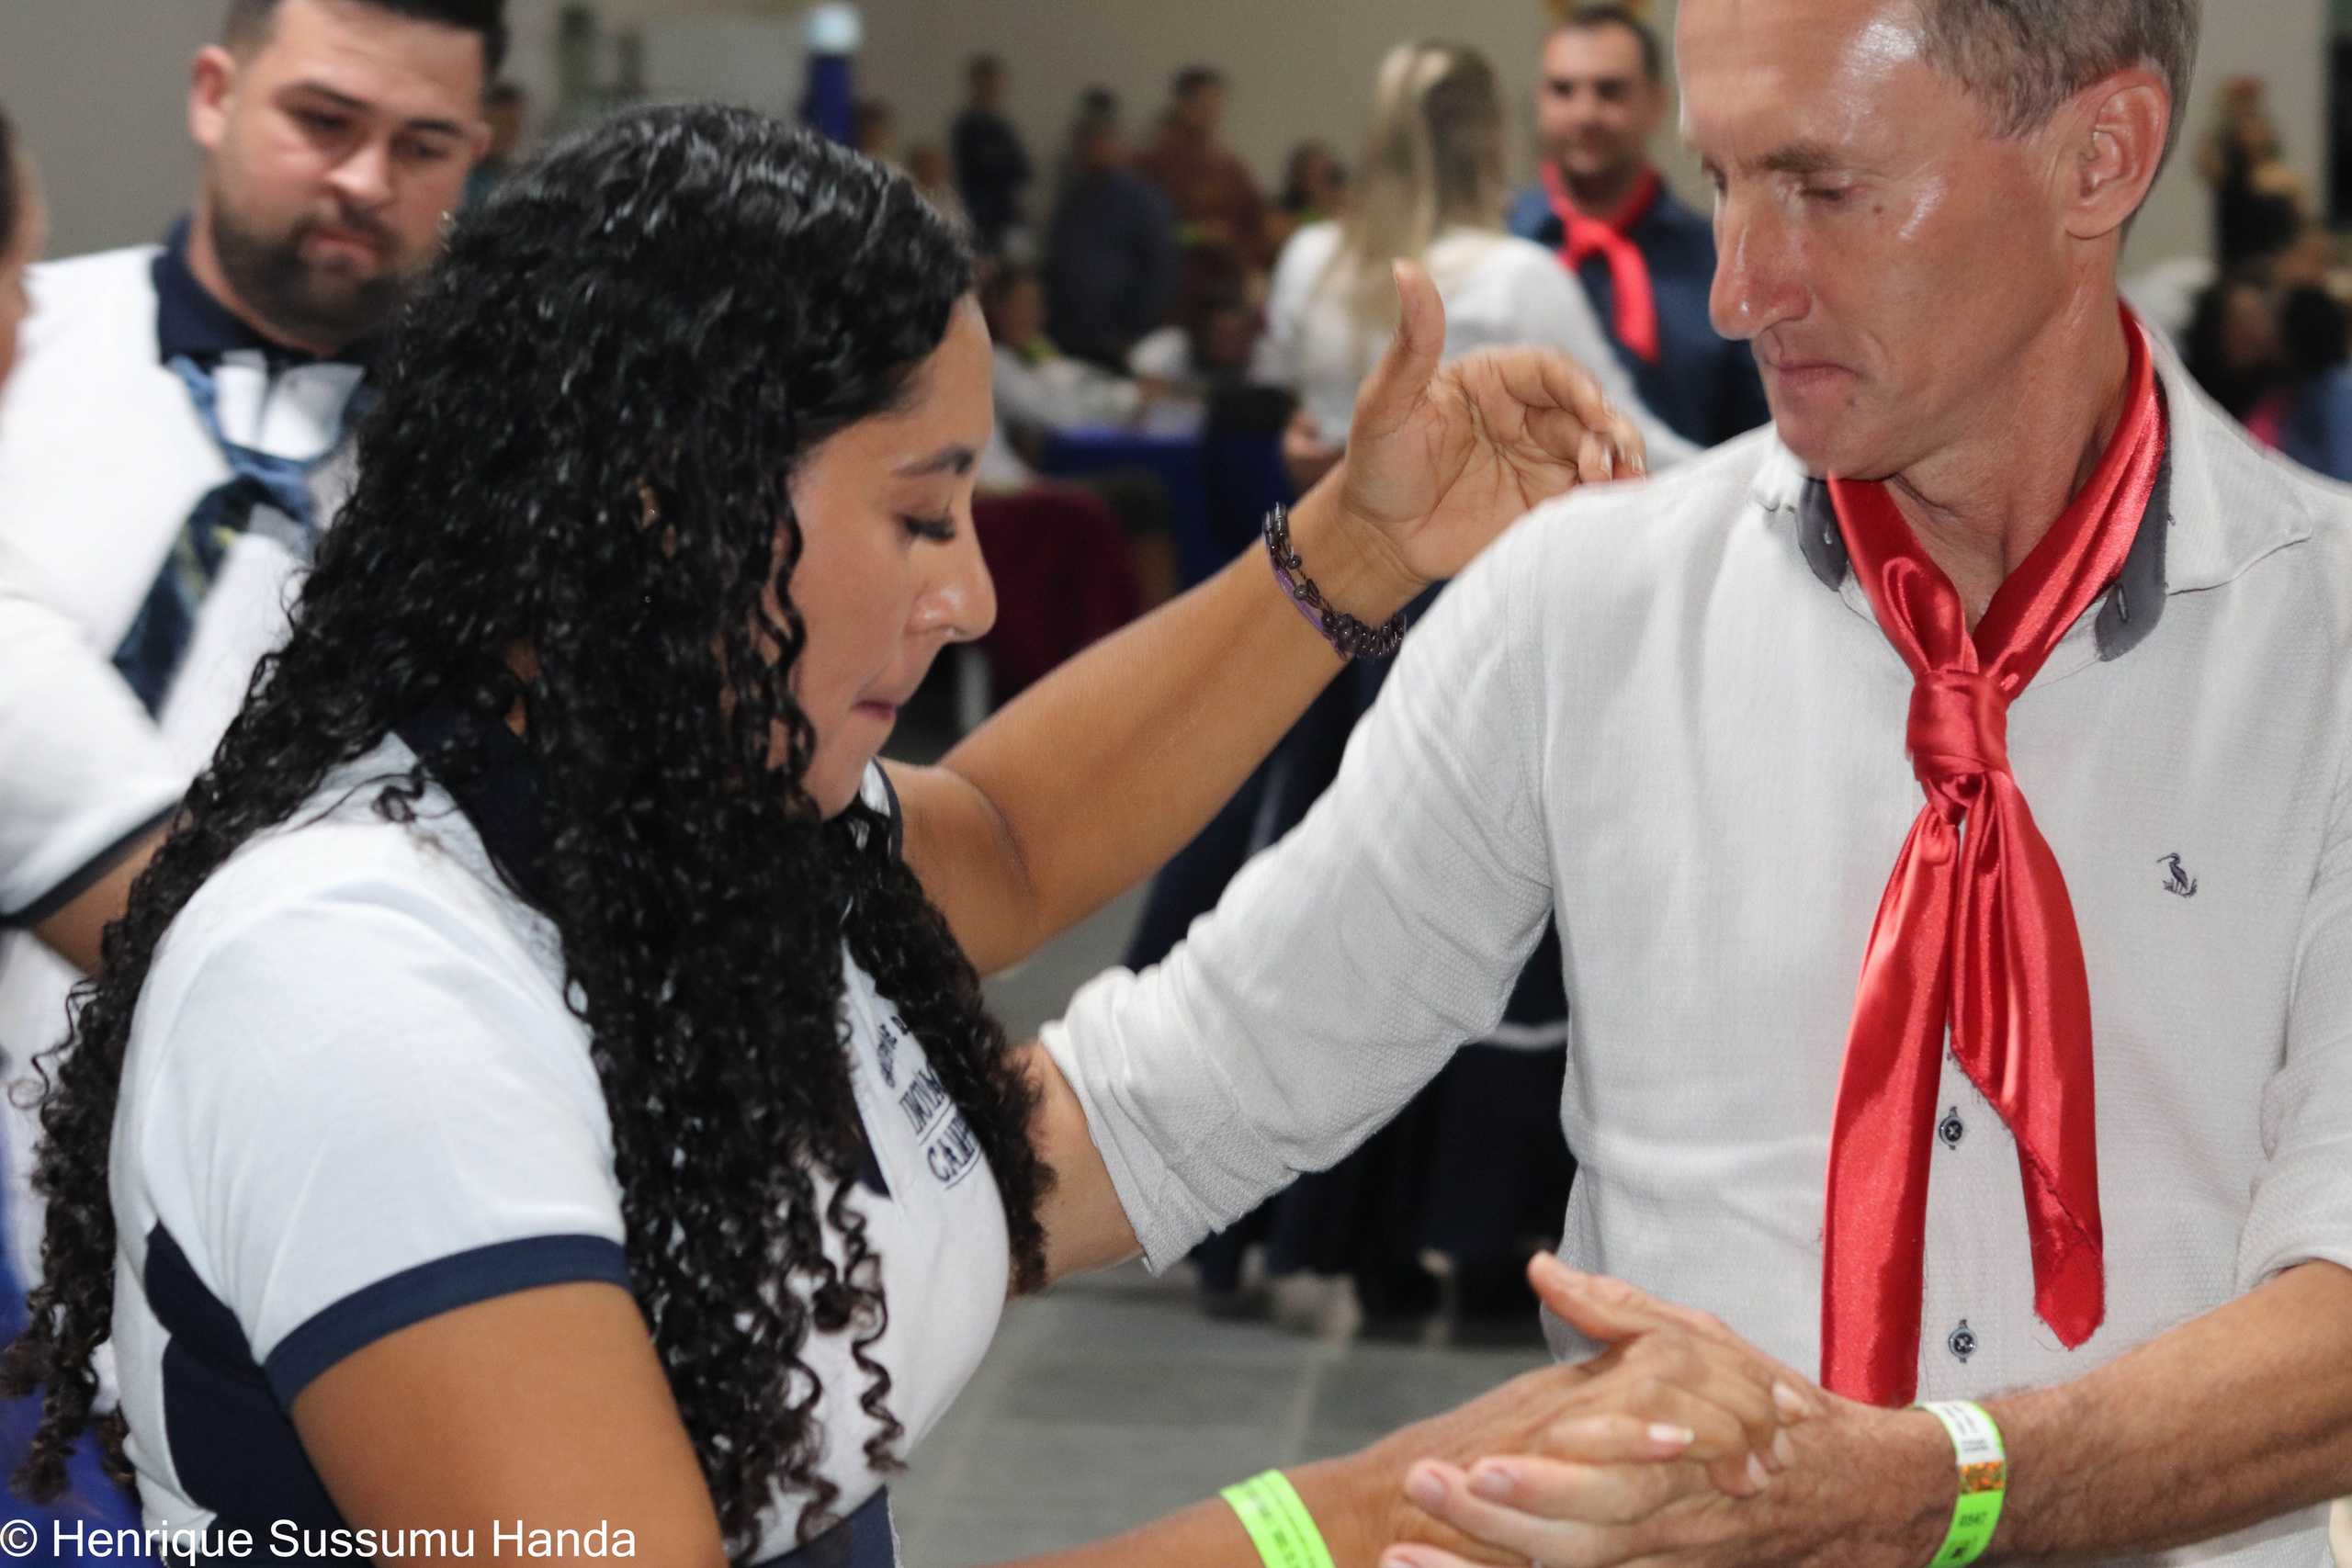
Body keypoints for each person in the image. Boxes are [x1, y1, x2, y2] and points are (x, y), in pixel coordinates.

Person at [0, 105, 1755, 1568]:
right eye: (921, 515)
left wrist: (1357, 551)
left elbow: (1000, 837)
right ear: (663, 503)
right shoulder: (357, 988)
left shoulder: (664, 815)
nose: (972, 588)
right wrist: (1346, 1523)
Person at [1036, 1, 2352, 1564]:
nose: (1738, 288)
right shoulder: (1584, 604)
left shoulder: (2325, 645)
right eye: (1720, 180)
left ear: (2101, 158)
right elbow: (1178, 1090)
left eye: (1824, 188)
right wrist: (734, 1227)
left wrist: (1920, 1494)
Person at [0, 0, 497, 1378]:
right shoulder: (22, 356)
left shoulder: (517, 468)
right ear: (216, 91)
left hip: (365, 1194)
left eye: (423, 144)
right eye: (323, 122)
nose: (362, 180)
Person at [1261, 40, 1694, 492]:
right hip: (1464, 553)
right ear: (1493, 140)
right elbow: (1625, 441)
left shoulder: (1308, 258)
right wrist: (1748, 479)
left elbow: (1288, 390)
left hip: (1330, 548)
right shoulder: (1514, 277)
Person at [1508, 4, 1769, 448]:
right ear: (1539, 101)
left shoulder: (1723, 261)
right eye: (1563, 90)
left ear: (1656, 103)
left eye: (1610, 91)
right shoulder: (1495, 252)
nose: (1584, 113)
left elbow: (1760, 445)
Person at [1043, 95, 1179, 371]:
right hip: (1069, 336)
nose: (1093, 149)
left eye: (1101, 140)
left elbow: (1161, 270)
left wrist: (1129, 331)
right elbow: (1057, 263)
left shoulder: (1143, 200)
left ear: (1116, 144)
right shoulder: (1072, 200)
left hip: (1119, 340)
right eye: (1085, 141)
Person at [1132, 68, 1272, 332]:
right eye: (1201, 103)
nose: (1209, 112)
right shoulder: (1150, 165)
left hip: (1223, 305)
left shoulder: (1231, 170)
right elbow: (1137, 233)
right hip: (1171, 300)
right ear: (1182, 105)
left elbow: (1253, 228)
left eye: (1215, 104)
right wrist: (1199, 234)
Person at [2197, 76, 2307, 269]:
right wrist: (2223, 107)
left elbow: (2300, 229)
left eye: (2258, 129)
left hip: (2276, 270)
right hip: (2234, 270)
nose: (2253, 137)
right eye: (2246, 131)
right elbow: (2204, 158)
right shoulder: (2230, 177)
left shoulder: (2288, 179)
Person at [952, 54, 1032, 254]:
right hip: (978, 217)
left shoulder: (1002, 127)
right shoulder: (966, 127)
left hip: (1006, 216)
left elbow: (1023, 170)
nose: (991, 90)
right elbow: (981, 167)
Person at [461, 79, 526, 209]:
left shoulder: (515, 182)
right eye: (504, 122)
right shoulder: (457, 170)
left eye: (514, 124)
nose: (510, 132)